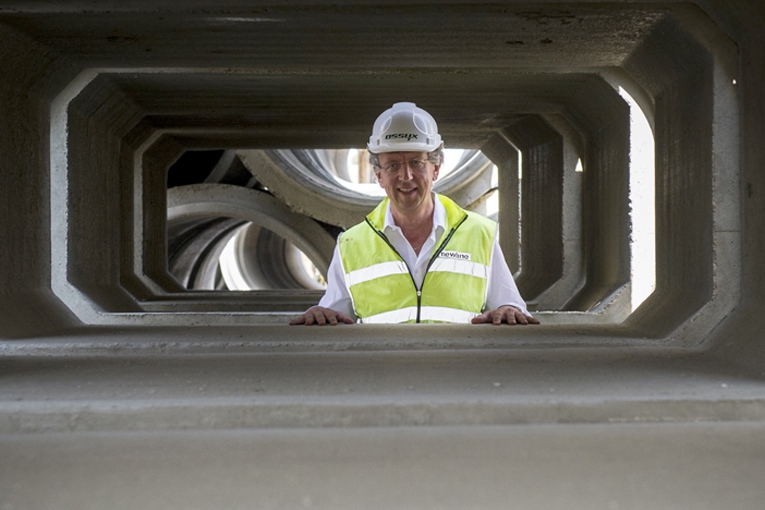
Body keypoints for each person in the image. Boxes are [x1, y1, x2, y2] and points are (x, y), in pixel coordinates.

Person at [290, 102, 539, 326]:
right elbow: (333, 314)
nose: (406, 177)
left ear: (436, 169)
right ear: (379, 175)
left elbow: (509, 307)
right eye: (393, 166)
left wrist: (508, 309)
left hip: (457, 374)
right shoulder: (351, 244)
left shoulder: (479, 234)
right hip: (382, 375)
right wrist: (320, 312)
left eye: (416, 162)